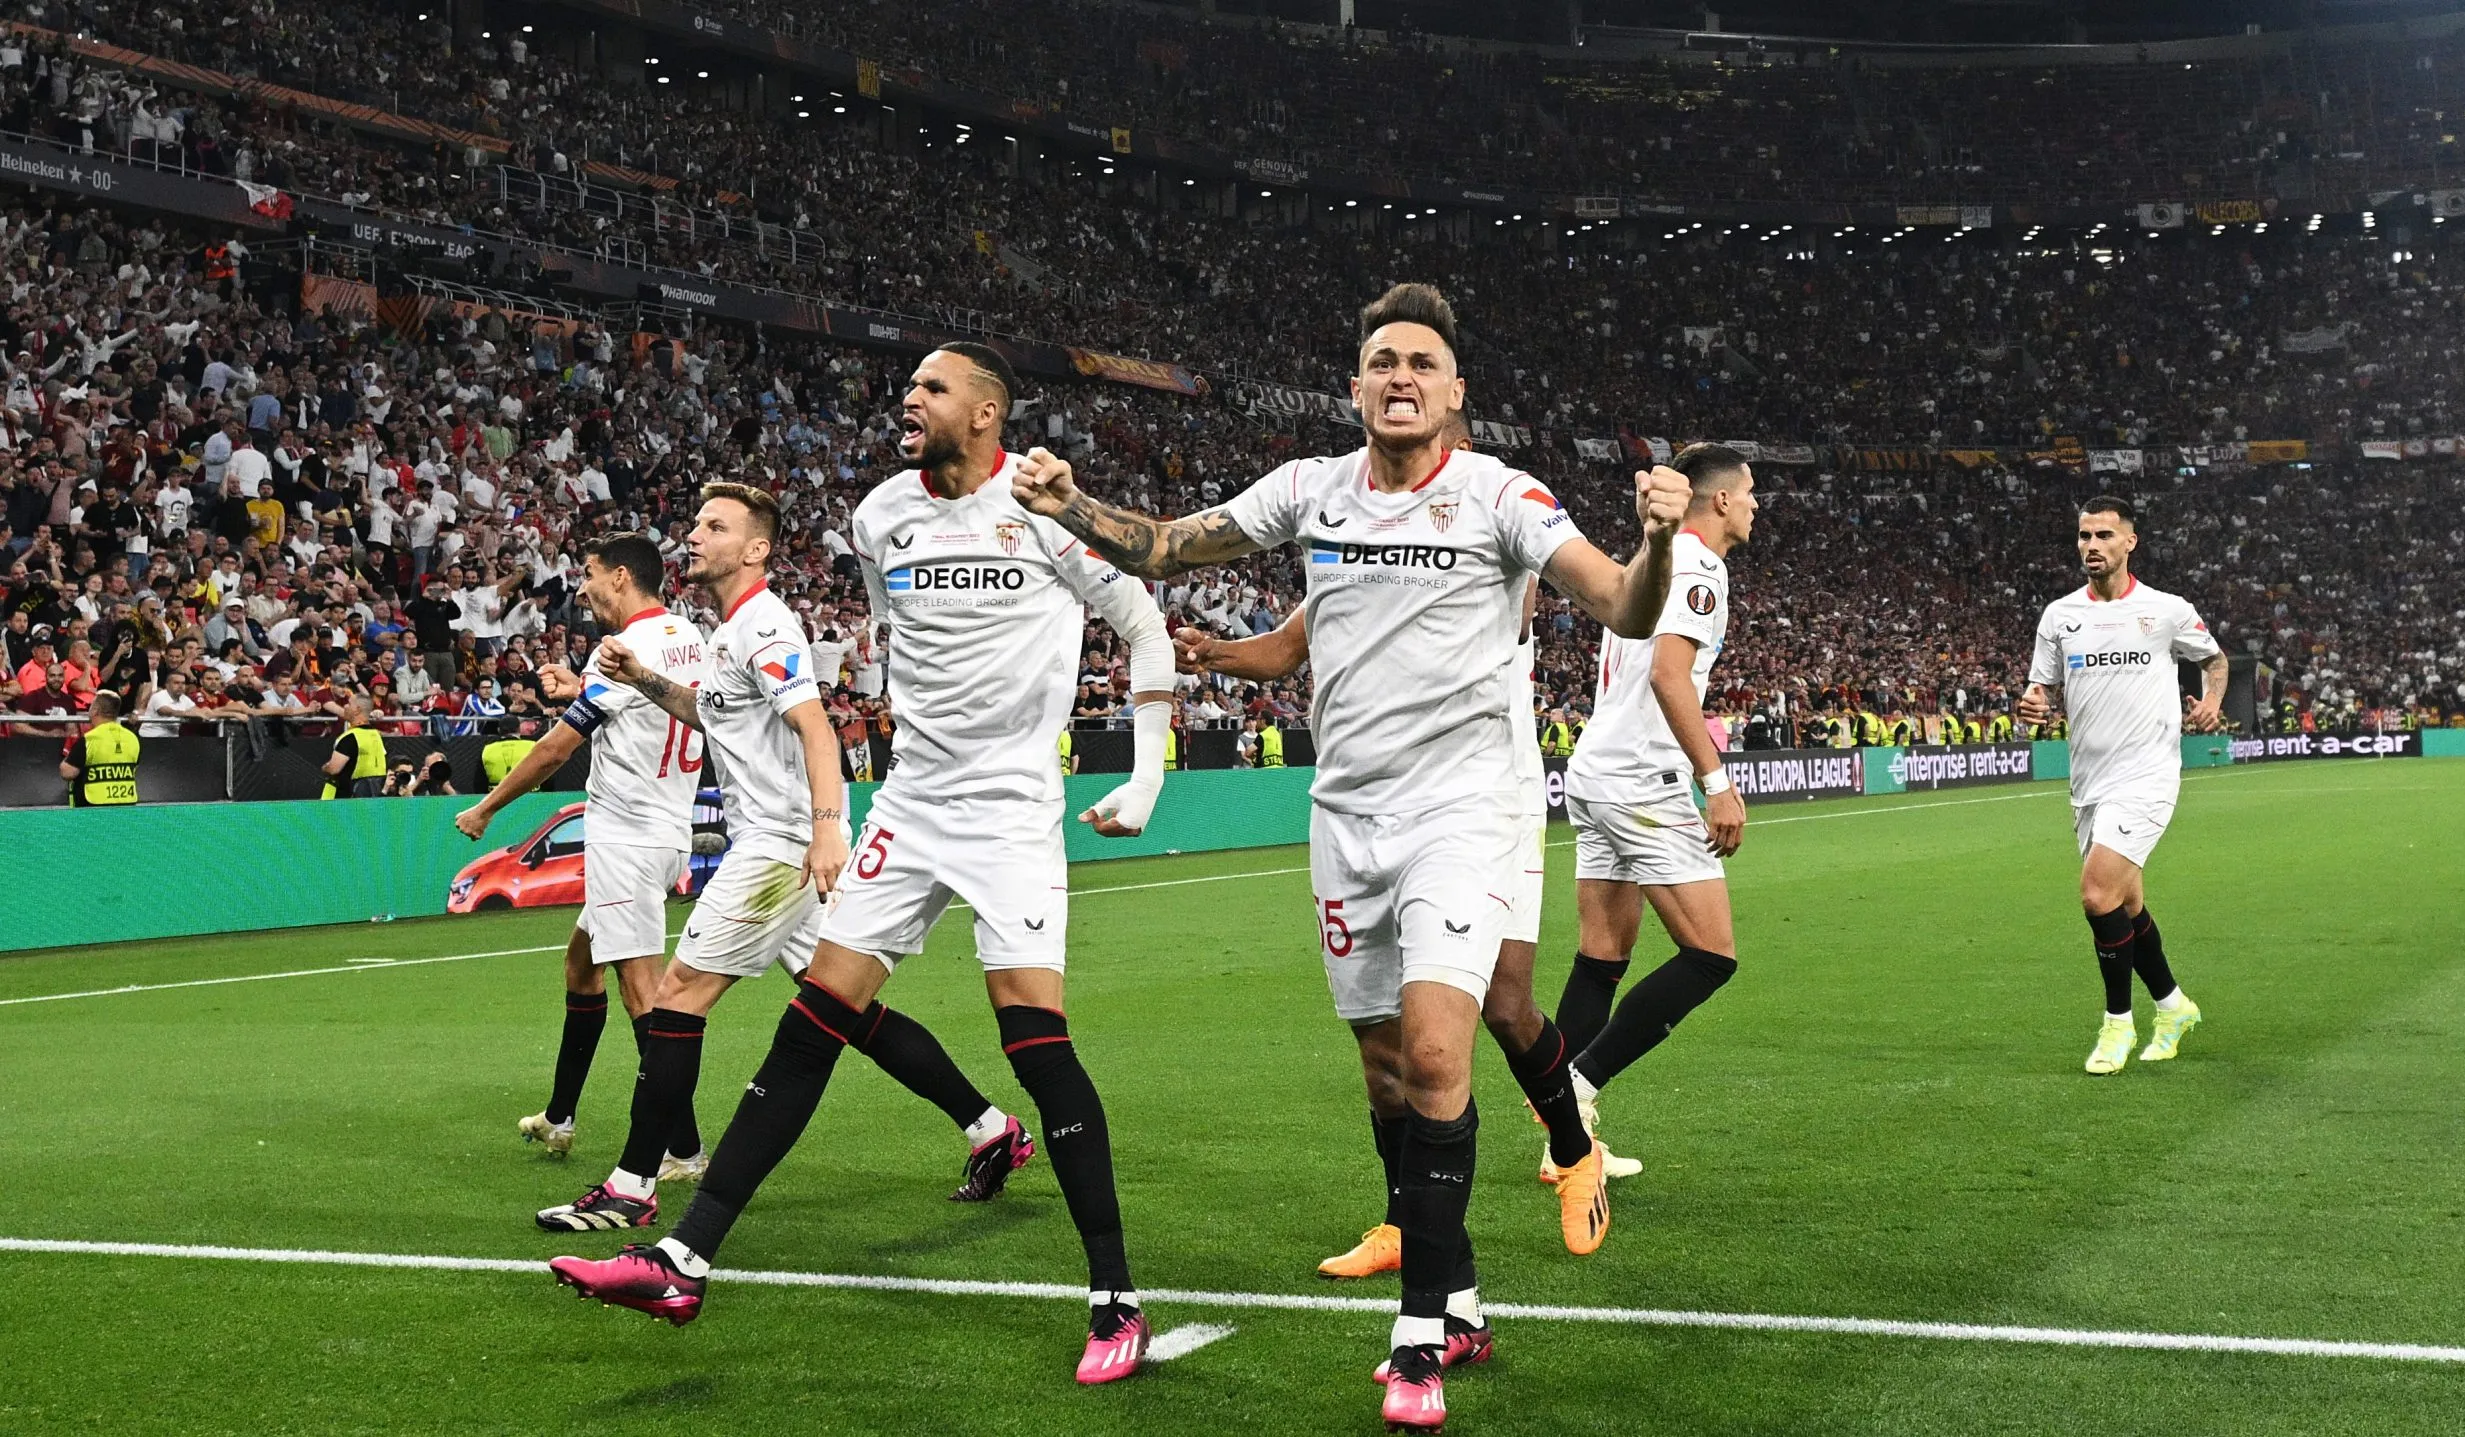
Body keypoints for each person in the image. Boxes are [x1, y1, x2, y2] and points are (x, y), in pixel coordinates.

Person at [1013, 284, 1687, 1429]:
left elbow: (1624, 608)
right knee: (1384, 1068)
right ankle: (1459, 1293)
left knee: (1438, 1048)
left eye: (1421, 362)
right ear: (1356, 385)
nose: (1399, 377)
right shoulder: (1311, 490)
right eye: (1381, 361)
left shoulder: (1498, 496)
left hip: (1463, 812)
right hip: (1347, 819)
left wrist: (1660, 536)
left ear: (1454, 391)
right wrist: (1074, 501)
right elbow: (1170, 548)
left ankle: (1420, 1337)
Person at [551, 343, 1181, 1387]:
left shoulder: (1044, 505)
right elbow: (896, 635)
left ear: (985, 413)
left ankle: (1115, 1296)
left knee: (1036, 1045)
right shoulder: (881, 513)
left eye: (933, 388)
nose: (910, 397)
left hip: (1013, 813)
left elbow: (1144, 624)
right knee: (814, 1027)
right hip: (911, 805)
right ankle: (681, 1257)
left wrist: (1149, 774)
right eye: (911, 385)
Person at [526, 483, 863, 1232]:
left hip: (777, 846)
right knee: (847, 1007)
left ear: (755, 549)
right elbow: (705, 712)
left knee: (672, 995)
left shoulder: (765, 626)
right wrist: (640, 678)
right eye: (696, 521)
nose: (695, 534)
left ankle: (635, 1181)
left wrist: (826, 825)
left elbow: (816, 728)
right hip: (764, 842)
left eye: (714, 525)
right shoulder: (721, 632)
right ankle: (987, 1125)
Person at [454, 533, 713, 1165]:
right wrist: (581, 688)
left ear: (622, 577)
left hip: (626, 838)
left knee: (642, 994)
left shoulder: (618, 650)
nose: (582, 586)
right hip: (666, 829)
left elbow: (556, 750)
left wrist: (487, 807)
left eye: (590, 573)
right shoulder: (686, 636)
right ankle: (560, 1117)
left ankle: (683, 1149)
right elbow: (649, 706)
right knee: (581, 964)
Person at [1554, 445, 1758, 1168]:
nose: (1757, 504)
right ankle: (1575, 1086)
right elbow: (1672, 677)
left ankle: (1563, 1143)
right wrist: (1716, 780)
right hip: (1644, 777)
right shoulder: (1700, 566)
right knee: (1710, 954)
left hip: (1598, 770)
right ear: (1722, 501)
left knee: (1602, 956)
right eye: (1751, 492)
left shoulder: (1654, 559)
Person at [2017, 495, 2228, 1075]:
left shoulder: (2165, 610)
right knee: (2126, 903)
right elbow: (2042, 691)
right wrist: (2033, 706)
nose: (2091, 546)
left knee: (2096, 894)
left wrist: (2211, 702)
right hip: (2089, 781)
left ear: (2129, 542)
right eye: (2084, 536)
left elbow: (2215, 660)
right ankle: (2173, 1005)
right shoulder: (2060, 615)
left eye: (2104, 536)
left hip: (2148, 775)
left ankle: (2117, 1025)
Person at [60, 690, 139, 806]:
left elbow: (67, 772)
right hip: (126, 808)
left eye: (91, 706)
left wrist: (70, 748)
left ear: (95, 711)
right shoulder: (132, 739)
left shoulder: (89, 739)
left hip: (93, 811)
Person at [319, 694, 388, 798]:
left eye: (349, 703)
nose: (345, 706)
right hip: (372, 797)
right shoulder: (376, 736)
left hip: (347, 800)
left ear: (357, 710)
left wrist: (325, 767)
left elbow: (334, 769)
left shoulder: (350, 737)